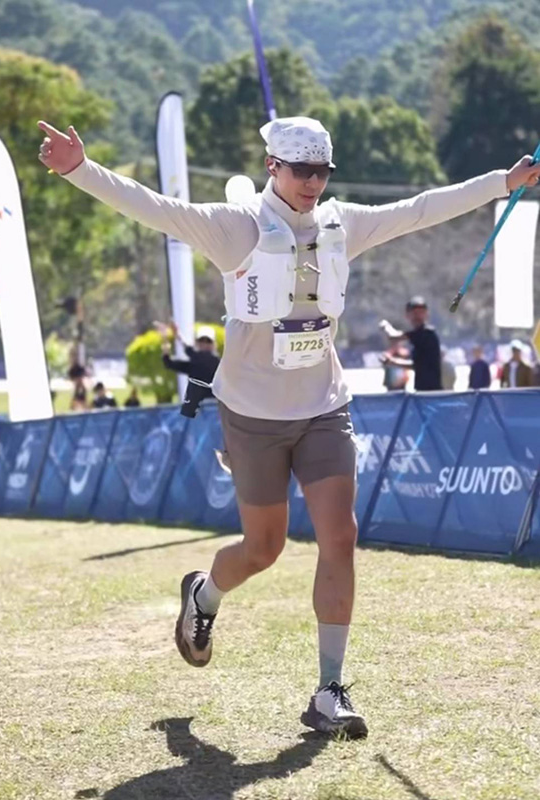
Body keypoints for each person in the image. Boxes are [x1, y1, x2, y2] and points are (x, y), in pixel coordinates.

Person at [37, 114, 540, 739]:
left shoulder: (342, 223)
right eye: (301, 170)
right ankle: (204, 595)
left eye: (322, 171)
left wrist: (503, 182)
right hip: (251, 415)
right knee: (263, 549)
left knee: (340, 535)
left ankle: (329, 689)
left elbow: (419, 209)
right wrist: (81, 170)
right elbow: (156, 208)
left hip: (324, 406)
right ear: (272, 167)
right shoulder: (235, 227)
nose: (313, 182)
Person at [379, 297, 442, 391]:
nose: (418, 316)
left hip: (432, 392)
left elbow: (393, 336)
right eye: (415, 313)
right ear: (408, 315)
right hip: (421, 391)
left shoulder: (427, 333)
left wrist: (385, 326)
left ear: (426, 314)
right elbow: (417, 365)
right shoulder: (418, 338)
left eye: (421, 312)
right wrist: (392, 362)